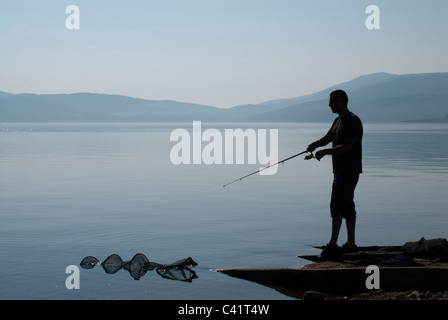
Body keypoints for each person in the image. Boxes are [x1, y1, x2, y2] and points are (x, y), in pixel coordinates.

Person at [306, 89, 363, 260]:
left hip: (349, 170)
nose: (329, 105)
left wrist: (324, 153)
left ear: (341, 102)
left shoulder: (352, 121)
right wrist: (314, 145)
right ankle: (351, 244)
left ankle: (333, 245)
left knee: (337, 206)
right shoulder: (338, 121)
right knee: (347, 205)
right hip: (339, 171)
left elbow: (347, 147)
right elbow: (328, 137)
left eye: (332, 102)